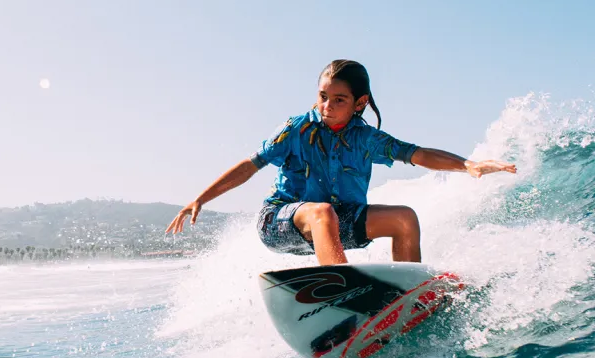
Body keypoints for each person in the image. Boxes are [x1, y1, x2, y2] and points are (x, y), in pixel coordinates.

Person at [165, 60, 517, 265]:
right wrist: (201, 198)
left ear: (359, 102)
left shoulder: (366, 139)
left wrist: (467, 164)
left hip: (339, 222)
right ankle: (340, 290)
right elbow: (250, 165)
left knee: (404, 219)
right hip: (281, 222)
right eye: (322, 97)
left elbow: (419, 153)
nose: (327, 106)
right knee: (322, 212)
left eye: (339, 99)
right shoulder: (296, 129)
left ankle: (407, 298)